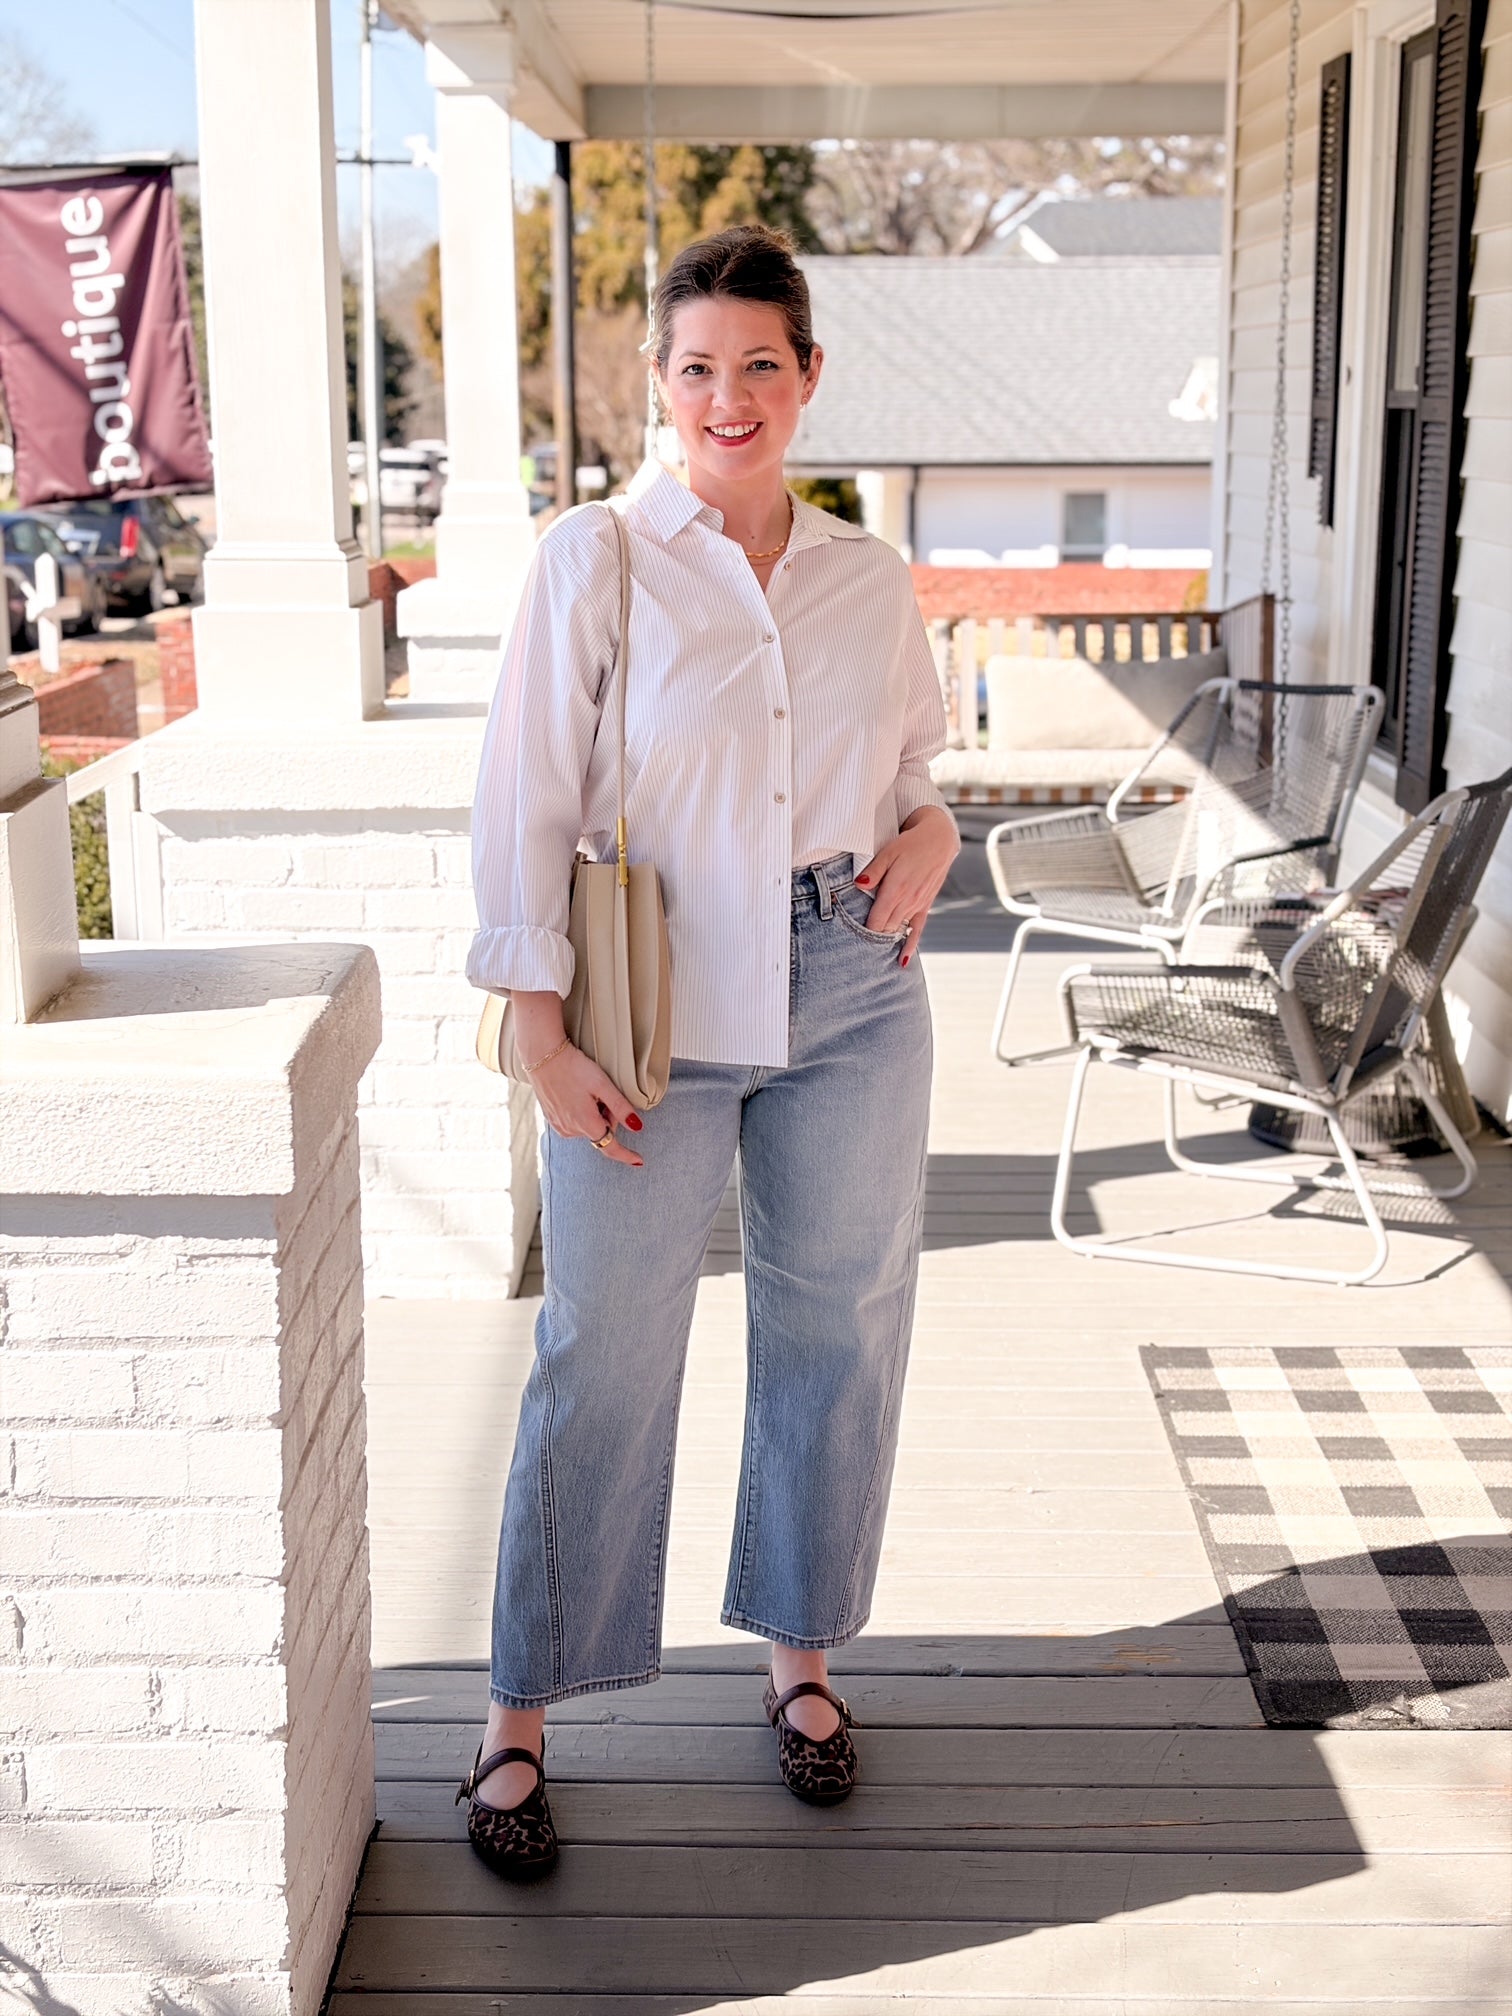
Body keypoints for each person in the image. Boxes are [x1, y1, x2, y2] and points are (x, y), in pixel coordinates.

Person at [460, 223, 959, 1878]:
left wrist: (939, 841)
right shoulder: (594, 558)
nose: (727, 395)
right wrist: (541, 1036)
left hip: (852, 981)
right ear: (659, 390)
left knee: (839, 1327)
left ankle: (800, 1660)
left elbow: (915, 779)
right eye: (696, 368)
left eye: (761, 362)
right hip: (646, 990)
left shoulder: (872, 580)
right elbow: (526, 801)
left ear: (809, 376)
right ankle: (518, 1710)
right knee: (602, 1347)